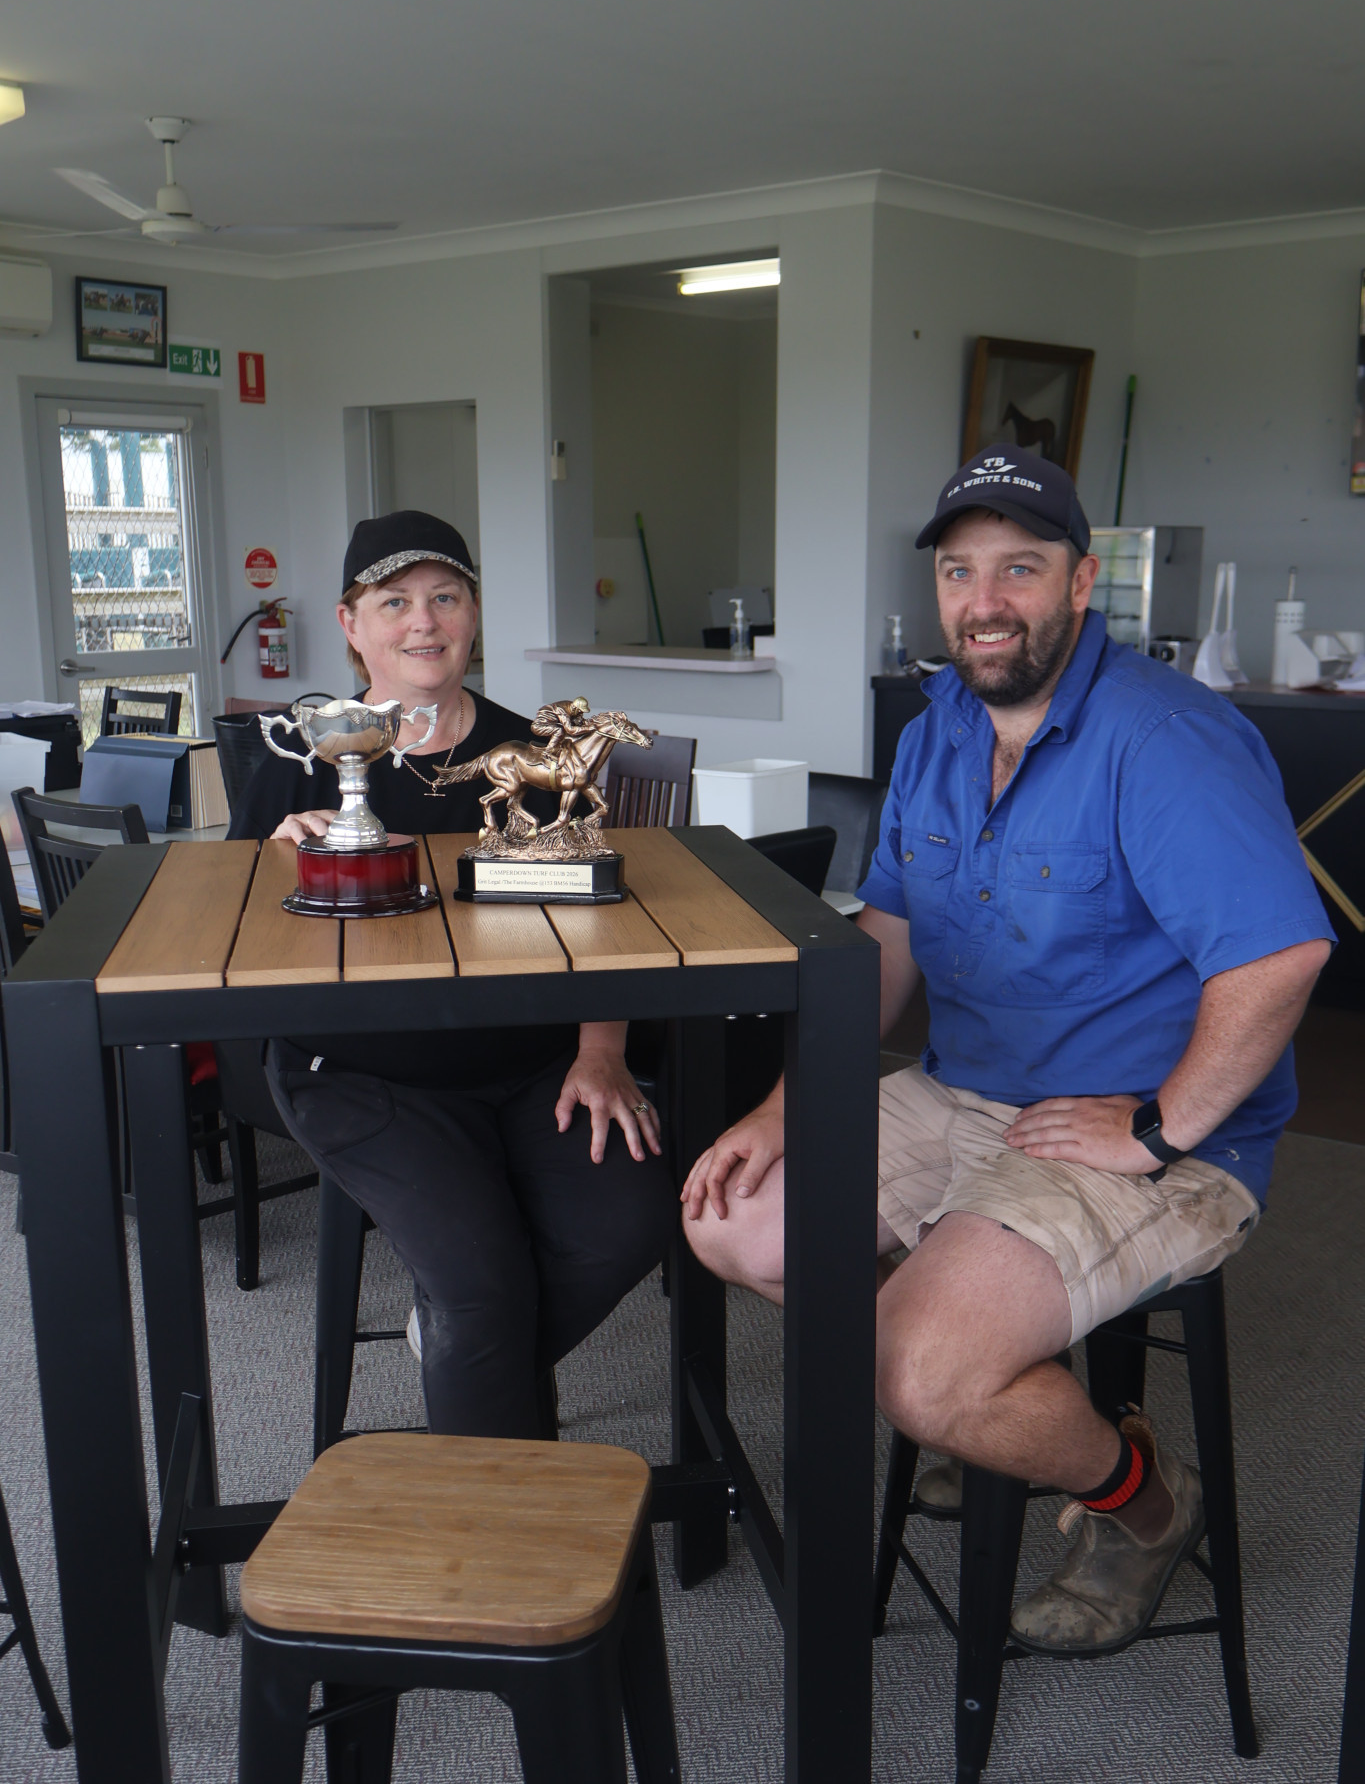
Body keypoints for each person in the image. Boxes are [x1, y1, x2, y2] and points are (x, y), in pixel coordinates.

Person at [681, 447, 1333, 1655]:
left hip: (1153, 1133)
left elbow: (1281, 956)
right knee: (735, 1219)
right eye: (959, 570)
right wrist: (784, 1108)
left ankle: (1143, 1501)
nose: (985, 600)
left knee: (922, 1367)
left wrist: (1160, 1124)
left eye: (1020, 568)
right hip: (961, 1091)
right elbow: (887, 938)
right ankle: (978, 1397)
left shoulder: (1166, 737)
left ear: (1081, 582)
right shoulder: (938, 728)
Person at [228, 508, 675, 1440]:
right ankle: (504, 1517)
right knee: (484, 1287)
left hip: (536, 1058)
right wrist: (279, 859)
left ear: (473, 614)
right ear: (352, 625)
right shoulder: (300, 756)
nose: (423, 622)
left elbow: (598, 923)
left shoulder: (536, 753)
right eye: (394, 601)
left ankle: (460, 1342)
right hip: (363, 1070)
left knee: (631, 1221)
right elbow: (233, 939)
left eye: (445, 597)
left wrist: (601, 1051)